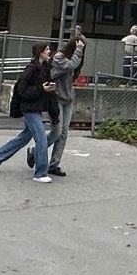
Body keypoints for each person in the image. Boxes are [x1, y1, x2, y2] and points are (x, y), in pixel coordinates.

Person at [0, 40, 58, 182]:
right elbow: (21, 90)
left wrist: (47, 92)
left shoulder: (45, 68)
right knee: (41, 139)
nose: (49, 52)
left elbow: (43, 90)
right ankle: (40, 173)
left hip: (35, 108)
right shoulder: (31, 69)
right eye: (46, 50)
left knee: (25, 137)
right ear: (40, 52)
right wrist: (41, 89)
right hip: (29, 108)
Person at [44, 28, 85, 176]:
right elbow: (70, 65)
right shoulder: (59, 57)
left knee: (64, 133)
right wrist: (79, 50)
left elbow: (74, 67)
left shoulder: (74, 58)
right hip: (56, 98)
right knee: (56, 131)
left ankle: (54, 164)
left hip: (68, 98)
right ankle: (35, 151)